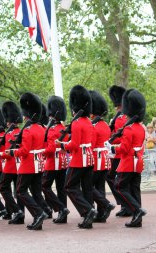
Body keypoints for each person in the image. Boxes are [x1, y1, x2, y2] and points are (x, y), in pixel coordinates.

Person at [105, 88, 147, 228]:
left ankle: (137, 210)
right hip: (138, 162)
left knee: (119, 186)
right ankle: (137, 218)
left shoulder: (128, 129)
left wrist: (111, 148)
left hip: (128, 162)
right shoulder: (140, 128)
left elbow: (123, 149)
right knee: (135, 189)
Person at [6, 92, 48, 230]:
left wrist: (12, 152)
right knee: (36, 191)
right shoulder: (41, 128)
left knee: (20, 191)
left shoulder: (28, 130)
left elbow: (24, 151)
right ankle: (38, 217)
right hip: (38, 164)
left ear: (27, 114)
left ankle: (38, 213)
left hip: (28, 164)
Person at [56, 85, 96, 229]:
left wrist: (62, 145)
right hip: (89, 158)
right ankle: (88, 217)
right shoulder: (88, 122)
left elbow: (74, 145)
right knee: (87, 188)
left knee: (69, 186)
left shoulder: (77, 123)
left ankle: (87, 210)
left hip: (79, 159)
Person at [42, 95, 70, 224]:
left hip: (53, 162)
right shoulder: (62, 128)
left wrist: (42, 152)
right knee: (60, 188)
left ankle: (61, 209)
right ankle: (62, 214)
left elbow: (51, 148)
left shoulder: (53, 130)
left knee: (45, 186)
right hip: (63, 161)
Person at [89, 90, 115, 223]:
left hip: (96, 159)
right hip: (105, 159)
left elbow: (92, 145)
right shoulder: (105, 125)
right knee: (100, 186)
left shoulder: (93, 126)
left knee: (88, 186)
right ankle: (101, 213)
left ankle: (102, 206)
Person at [107, 85, 131, 217]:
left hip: (119, 153)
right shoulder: (120, 116)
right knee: (114, 178)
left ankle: (125, 204)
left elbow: (121, 136)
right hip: (118, 152)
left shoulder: (121, 118)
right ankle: (124, 204)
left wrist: (111, 142)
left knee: (113, 178)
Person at [0, 101, 25, 225]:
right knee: (18, 190)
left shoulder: (9, 133)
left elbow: (8, 152)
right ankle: (21, 214)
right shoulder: (20, 131)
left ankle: (16, 211)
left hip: (10, 166)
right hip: (19, 165)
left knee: (3, 188)